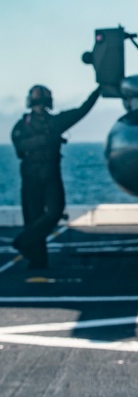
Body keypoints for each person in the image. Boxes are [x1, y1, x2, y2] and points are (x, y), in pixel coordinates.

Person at [11, 85, 100, 268]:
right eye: (37, 103)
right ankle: (37, 259)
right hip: (31, 177)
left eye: (42, 104)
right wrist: (46, 140)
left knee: (54, 212)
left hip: (51, 174)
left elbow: (82, 110)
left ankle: (24, 240)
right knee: (34, 217)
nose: (39, 107)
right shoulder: (23, 125)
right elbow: (21, 146)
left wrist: (98, 91)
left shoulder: (55, 123)